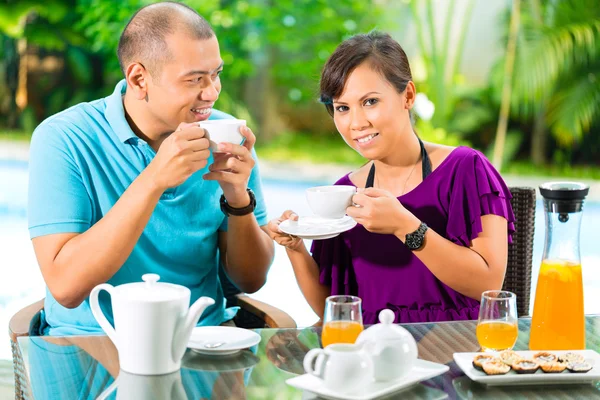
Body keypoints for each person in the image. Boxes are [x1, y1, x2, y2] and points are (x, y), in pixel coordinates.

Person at [27, 1, 274, 336]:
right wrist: (154, 179)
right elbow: (67, 288)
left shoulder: (226, 135)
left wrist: (238, 200)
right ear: (139, 78)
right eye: (195, 79)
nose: (212, 92)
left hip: (201, 339)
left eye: (216, 74)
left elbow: (251, 280)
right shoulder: (64, 139)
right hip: (90, 343)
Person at [266, 31, 515, 325]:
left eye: (370, 101)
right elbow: (332, 310)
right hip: (371, 354)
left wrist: (405, 225)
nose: (356, 123)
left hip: (454, 349)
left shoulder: (466, 169)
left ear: (407, 96)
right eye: (342, 108)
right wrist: (294, 248)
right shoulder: (345, 193)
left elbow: (488, 286)